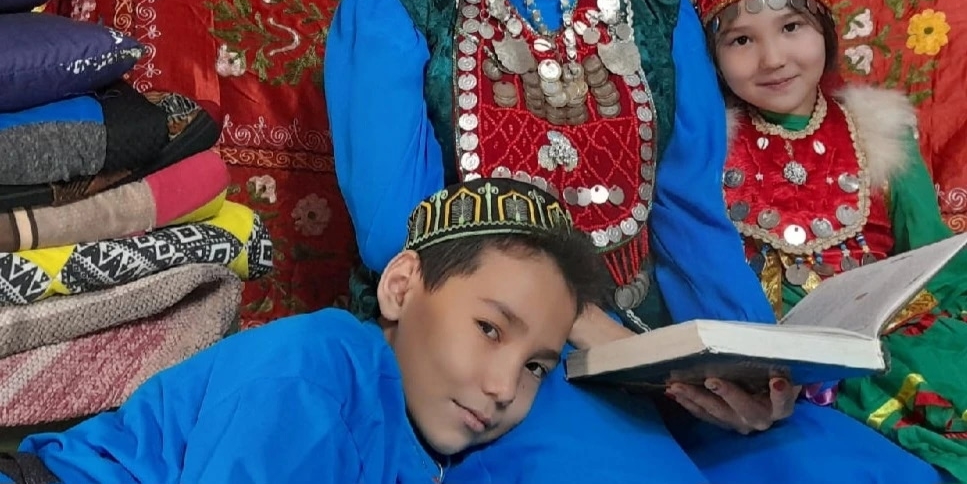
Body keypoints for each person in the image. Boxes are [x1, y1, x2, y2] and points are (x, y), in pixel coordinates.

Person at [325, 0, 942, 482]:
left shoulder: (658, 12)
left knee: (855, 470)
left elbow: (691, 220)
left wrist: (755, 360)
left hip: (653, 349)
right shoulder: (399, 3)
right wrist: (581, 325)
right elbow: (403, 232)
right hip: (496, 353)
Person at [0, 178, 606, 484]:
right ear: (401, 288)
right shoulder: (314, 374)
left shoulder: (425, 440)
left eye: (536, 366)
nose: (505, 387)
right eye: (490, 329)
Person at [690, 0, 967, 479]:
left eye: (791, 26)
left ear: (825, 28)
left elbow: (935, 260)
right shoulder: (706, 149)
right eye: (741, 40)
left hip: (894, 343)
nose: (772, 58)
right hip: (782, 372)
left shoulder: (879, 131)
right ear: (711, 57)